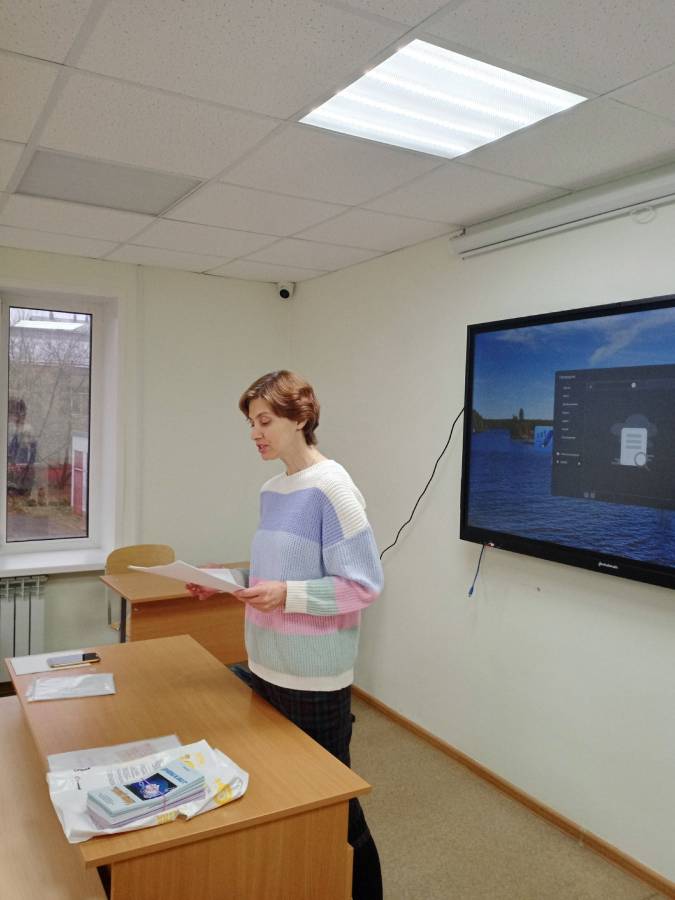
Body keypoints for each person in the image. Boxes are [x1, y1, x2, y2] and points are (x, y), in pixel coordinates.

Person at [188, 370, 384, 900]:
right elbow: (273, 576)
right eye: (251, 423)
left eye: (265, 421)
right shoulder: (273, 489)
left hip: (313, 677)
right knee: (282, 798)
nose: (255, 433)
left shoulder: (334, 488)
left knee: (335, 810)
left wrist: (288, 596)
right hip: (265, 664)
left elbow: (362, 586)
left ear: (300, 418)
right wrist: (225, 580)